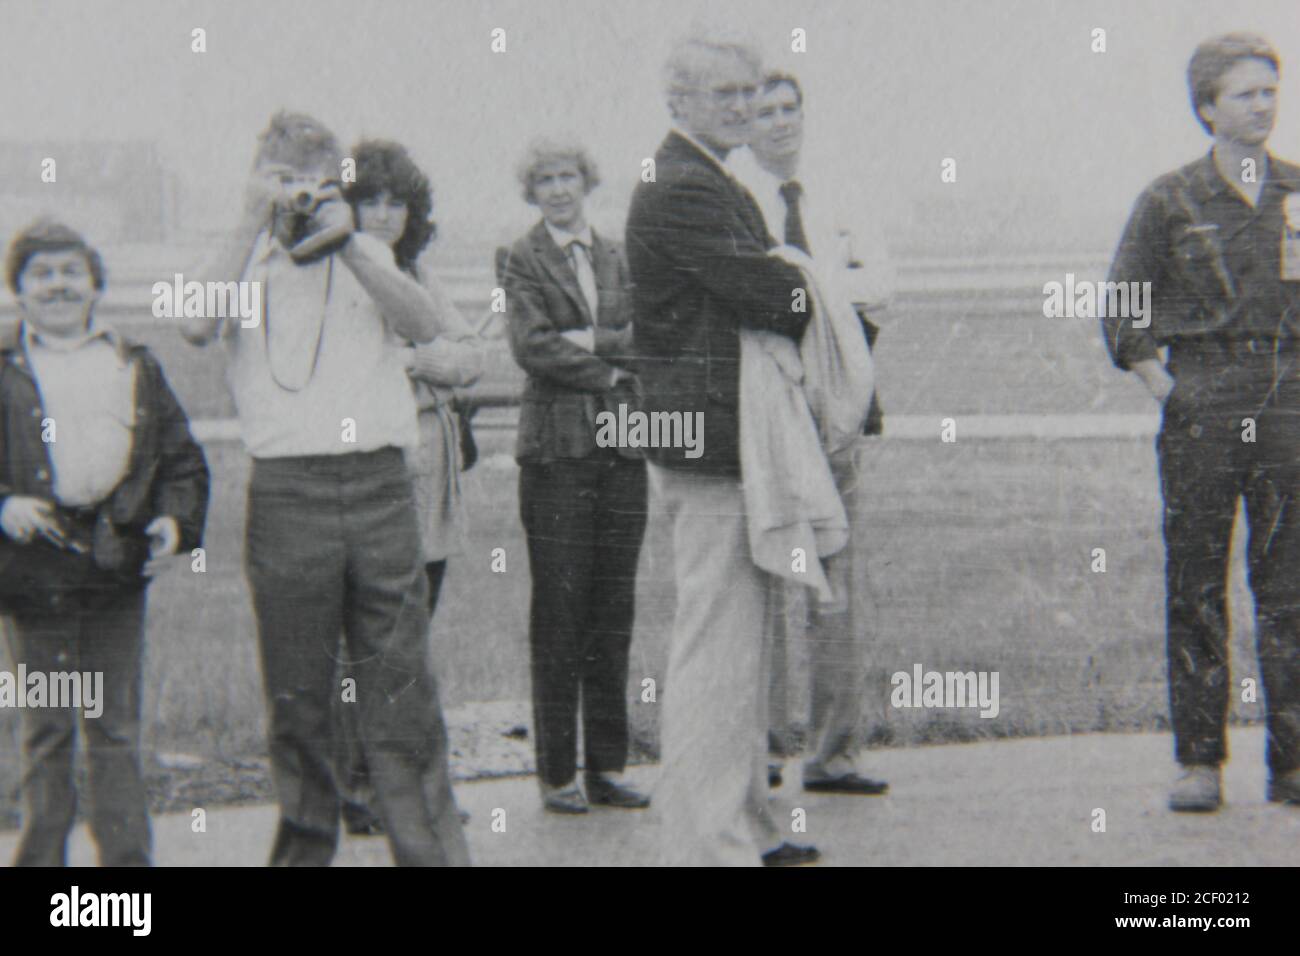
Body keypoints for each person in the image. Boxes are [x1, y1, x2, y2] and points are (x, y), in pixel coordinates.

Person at [182, 112, 470, 865]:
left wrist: (351, 245)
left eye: (316, 182)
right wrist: (251, 217)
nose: (299, 198)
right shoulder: (243, 264)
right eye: (283, 180)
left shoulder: (368, 253)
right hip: (288, 494)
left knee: (402, 689)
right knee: (299, 700)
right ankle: (305, 852)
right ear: (257, 180)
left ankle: (429, 854)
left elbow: (426, 325)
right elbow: (193, 327)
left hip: (379, 487)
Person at [624, 32, 820, 865]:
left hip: (720, 439)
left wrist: (790, 278)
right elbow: (775, 291)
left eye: (750, 91)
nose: (743, 105)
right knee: (716, 647)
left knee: (740, 648)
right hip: (708, 444)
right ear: (679, 102)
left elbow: (773, 284)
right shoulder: (680, 187)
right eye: (724, 94)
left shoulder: (709, 178)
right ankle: (710, 842)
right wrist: (803, 279)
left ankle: (742, 825)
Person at [1102, 33, 1300, 812]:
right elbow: (1124, 302)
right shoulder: (1169, 199)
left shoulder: (1297, 191)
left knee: (1288, 584)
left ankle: (1291, 763)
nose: (1264, 105)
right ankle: (1199, 762)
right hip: (1204, 395)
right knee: (1195, 582)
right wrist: (1164, 384)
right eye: (1246, 93)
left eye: (1271, 91)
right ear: (1208, 108)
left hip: (1287, 395)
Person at [0, 218, 210, 866]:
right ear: (19, 290)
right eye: (42, 274)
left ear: (94, 283)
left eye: (71, 271)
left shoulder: (133, 363)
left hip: (114, 569)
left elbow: (181, 461)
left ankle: (124, 880)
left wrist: (174, 522)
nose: (58, 285)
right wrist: (5, 504)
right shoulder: (4, 366)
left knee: (114, 728)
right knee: (47, 730)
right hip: (34, 577)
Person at [727, 72, 894, 795]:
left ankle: (836, 753)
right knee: (763, 570)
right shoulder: (733, 197)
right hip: (766, 403)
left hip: (839, 408)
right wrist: (830, 281)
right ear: (745, 122)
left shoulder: (840, 190)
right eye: (764, 112)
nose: (780, 122)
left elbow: (884, 284)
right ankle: (759, 750)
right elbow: (753, 295)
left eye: (790, 107)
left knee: (837, 583)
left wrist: (810, 283)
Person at [333, 138, 485, 836]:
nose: (385, 215)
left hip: (431, 474)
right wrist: (424, 361)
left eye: (398, 202)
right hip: (370, 467)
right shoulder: (336, 275)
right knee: (367, 634)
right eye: (371, 201)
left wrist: (413, 358)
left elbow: (466, 359)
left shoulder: (416, 269)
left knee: (415, 630)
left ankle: (410, 785)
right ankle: (358, 782)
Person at [504, 137, 650, 814]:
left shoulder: (618, 252)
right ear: (530, 191)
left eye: (567, 176)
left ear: (587, 181)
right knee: (561, 611)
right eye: (544, 180)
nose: (558, 190)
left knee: (612, 609)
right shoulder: (521, 257)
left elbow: (643, 332)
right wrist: (612, 364)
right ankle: (558, 771)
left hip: (623, 448)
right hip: (556, 455)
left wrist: (594, 344)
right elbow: (533, 347)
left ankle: (609, 768)